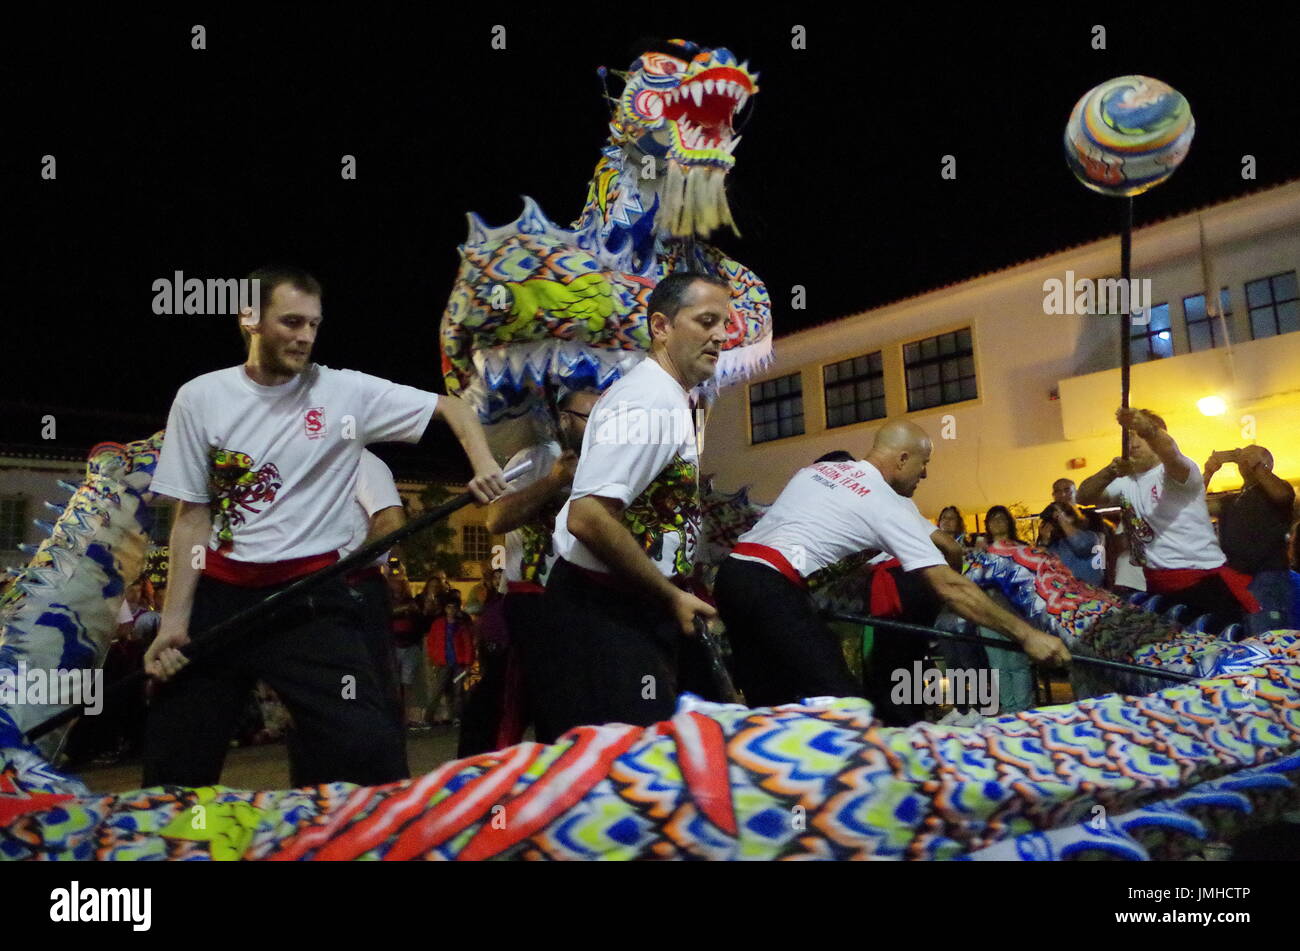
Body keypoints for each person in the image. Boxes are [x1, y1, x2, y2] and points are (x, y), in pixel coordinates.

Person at [141, 265, 507, 789]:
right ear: (250, 317)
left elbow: (452, 408)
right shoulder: (200, 398)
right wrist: (175, 621)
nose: (305, 336)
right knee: (177, 759)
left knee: (370, 748)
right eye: (291, 322)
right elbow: (191, 516)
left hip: (310, 598)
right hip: (221, 597)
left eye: (314, 324)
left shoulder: (344, 393)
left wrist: (483, 463)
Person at [712, 419, 1070, 716]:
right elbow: (952, 585)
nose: (925, 475)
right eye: (923, 463)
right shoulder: (887, 503)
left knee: (771, 707)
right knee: (847, 710)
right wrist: (1027, 635)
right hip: (772, 589)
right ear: (901, 459)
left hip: (732, 578)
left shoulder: (821, 469)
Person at [541, 273, 725, 735]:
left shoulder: (667, 397)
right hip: (605, 613)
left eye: (723, 324)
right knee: (620, 769)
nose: (720, 336)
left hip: (631, 608)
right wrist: (669, 594)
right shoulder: (649, 401)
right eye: (705, 321)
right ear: (661, 326)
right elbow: (588, 516)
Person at [481, 388, 595, 745]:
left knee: (571, 713)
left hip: (581, 601)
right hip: (533, 602)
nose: (596, 426)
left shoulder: (604, 460)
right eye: (588, 417)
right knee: (513, 713)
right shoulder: (535, 457)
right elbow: (496, 518)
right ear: (563, 418)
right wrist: (554, 481)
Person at [1077, 408, 1257, 622]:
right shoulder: (1126, 482)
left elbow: (1171, 451)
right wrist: (1110, 470)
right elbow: (1084, 496)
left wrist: (1148, 429)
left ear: (1157, 438)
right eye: (1129, 437)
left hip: (1202, 584)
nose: (1132, 444)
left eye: (1140, 436)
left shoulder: (1177, 473)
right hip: (1157, 585)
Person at [1205, 445, 1296, 632]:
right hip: (1235, 577)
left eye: (1251, 455)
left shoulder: (1279, 490)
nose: (1244, 459)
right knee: (1241, 635)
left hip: (1268, 576)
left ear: (1267, 464)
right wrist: (1208, 473)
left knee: (1266, 635)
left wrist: (1256, 464)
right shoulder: (1231, 499)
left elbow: (1283, 495)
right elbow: (1194, 505)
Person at [427, 591, 475, 724]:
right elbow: (432, 642)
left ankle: (456, 716)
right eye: (449, 607)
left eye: (454, 607)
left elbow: (468, 644)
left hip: (459, 663)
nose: (451, 610)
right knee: (440, 690)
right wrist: (434, 658)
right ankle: (430, 717)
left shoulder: (461, 625)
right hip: (444, 661)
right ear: (445, 608)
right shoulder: (438, 624)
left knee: (458, 690)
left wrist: (468, 662)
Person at [1043, 501, 1104, 586]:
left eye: (1058, 517)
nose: (1056, 522)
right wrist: (1044, 540)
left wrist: (1062, 520)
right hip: (1066, 594)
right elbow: (1042, 567)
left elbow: (1082, 546)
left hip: (1090, 593)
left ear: (1072, 517)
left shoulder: (1091, 537)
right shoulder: (1056, 545)